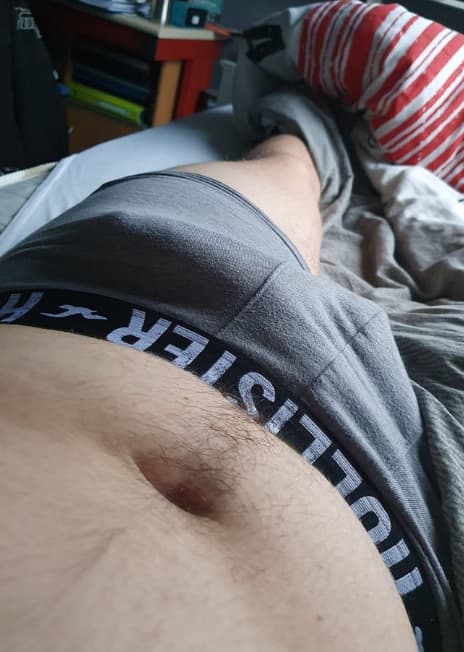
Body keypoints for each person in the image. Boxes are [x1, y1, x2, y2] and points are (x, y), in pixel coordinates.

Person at [0, 133, 422, 651]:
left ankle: (331, 120)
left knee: (295, 159)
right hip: (385, 482)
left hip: (117, 281)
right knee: (293, 169)